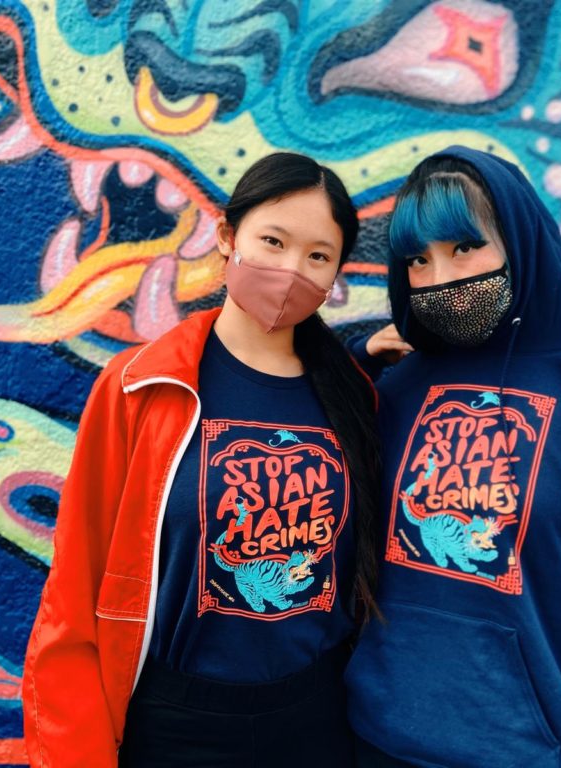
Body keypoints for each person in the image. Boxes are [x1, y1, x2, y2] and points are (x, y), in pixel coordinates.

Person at [22, 152, 381, 767]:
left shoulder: (354, 396)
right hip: (176, 724)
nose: (291, 270)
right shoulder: (141, 386)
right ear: (225, 236)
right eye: (273, 241)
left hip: (314, 722)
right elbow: (75, 590)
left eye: (317, 256)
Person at [344, 146, 561, 767]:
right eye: (418, 259)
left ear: (518, 240)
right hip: (376, 742)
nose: (441, 278)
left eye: (464, 248)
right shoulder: (396, 387)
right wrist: (360, 363)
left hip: (530, 750)